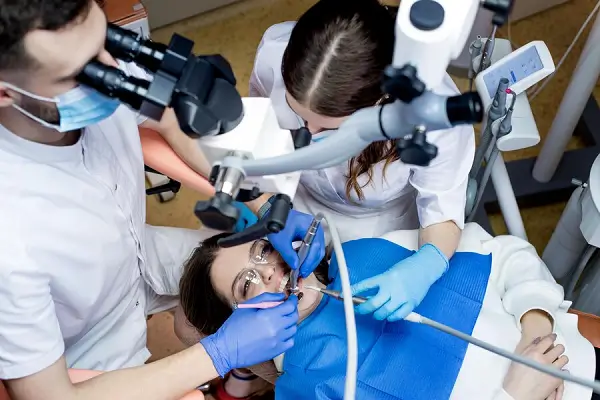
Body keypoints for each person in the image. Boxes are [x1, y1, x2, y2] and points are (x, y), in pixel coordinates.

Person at [0, 1, 325, 399]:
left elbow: (170, 116)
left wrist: (264, 203)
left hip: (136, 250)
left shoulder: (86, 61)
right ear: (5, 92)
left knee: (219, 281)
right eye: (86, 73)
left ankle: (242, 376)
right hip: (88, 340)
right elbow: (48, 396)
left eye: (108, 42)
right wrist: (216, 355)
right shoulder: (10, 240)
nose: (114, 71)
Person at [241, 0, 476, 324]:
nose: (307, 134)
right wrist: (268, 208)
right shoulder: (274, 52)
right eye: (297, 113)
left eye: (327, 127)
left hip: (381, 226)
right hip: (295, 200)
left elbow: (442, 210)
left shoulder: (434, 118)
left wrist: (426, 265)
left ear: (380, 107)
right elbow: (254, 137)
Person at [176, 224, 597, 400]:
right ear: (238, 327)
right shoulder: (308, 387)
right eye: (246, 285)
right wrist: (514, 394)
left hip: (577, 359)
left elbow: (505, 254)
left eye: (262, 251)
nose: (269, 272)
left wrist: (536, 325)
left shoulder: (369, 251)